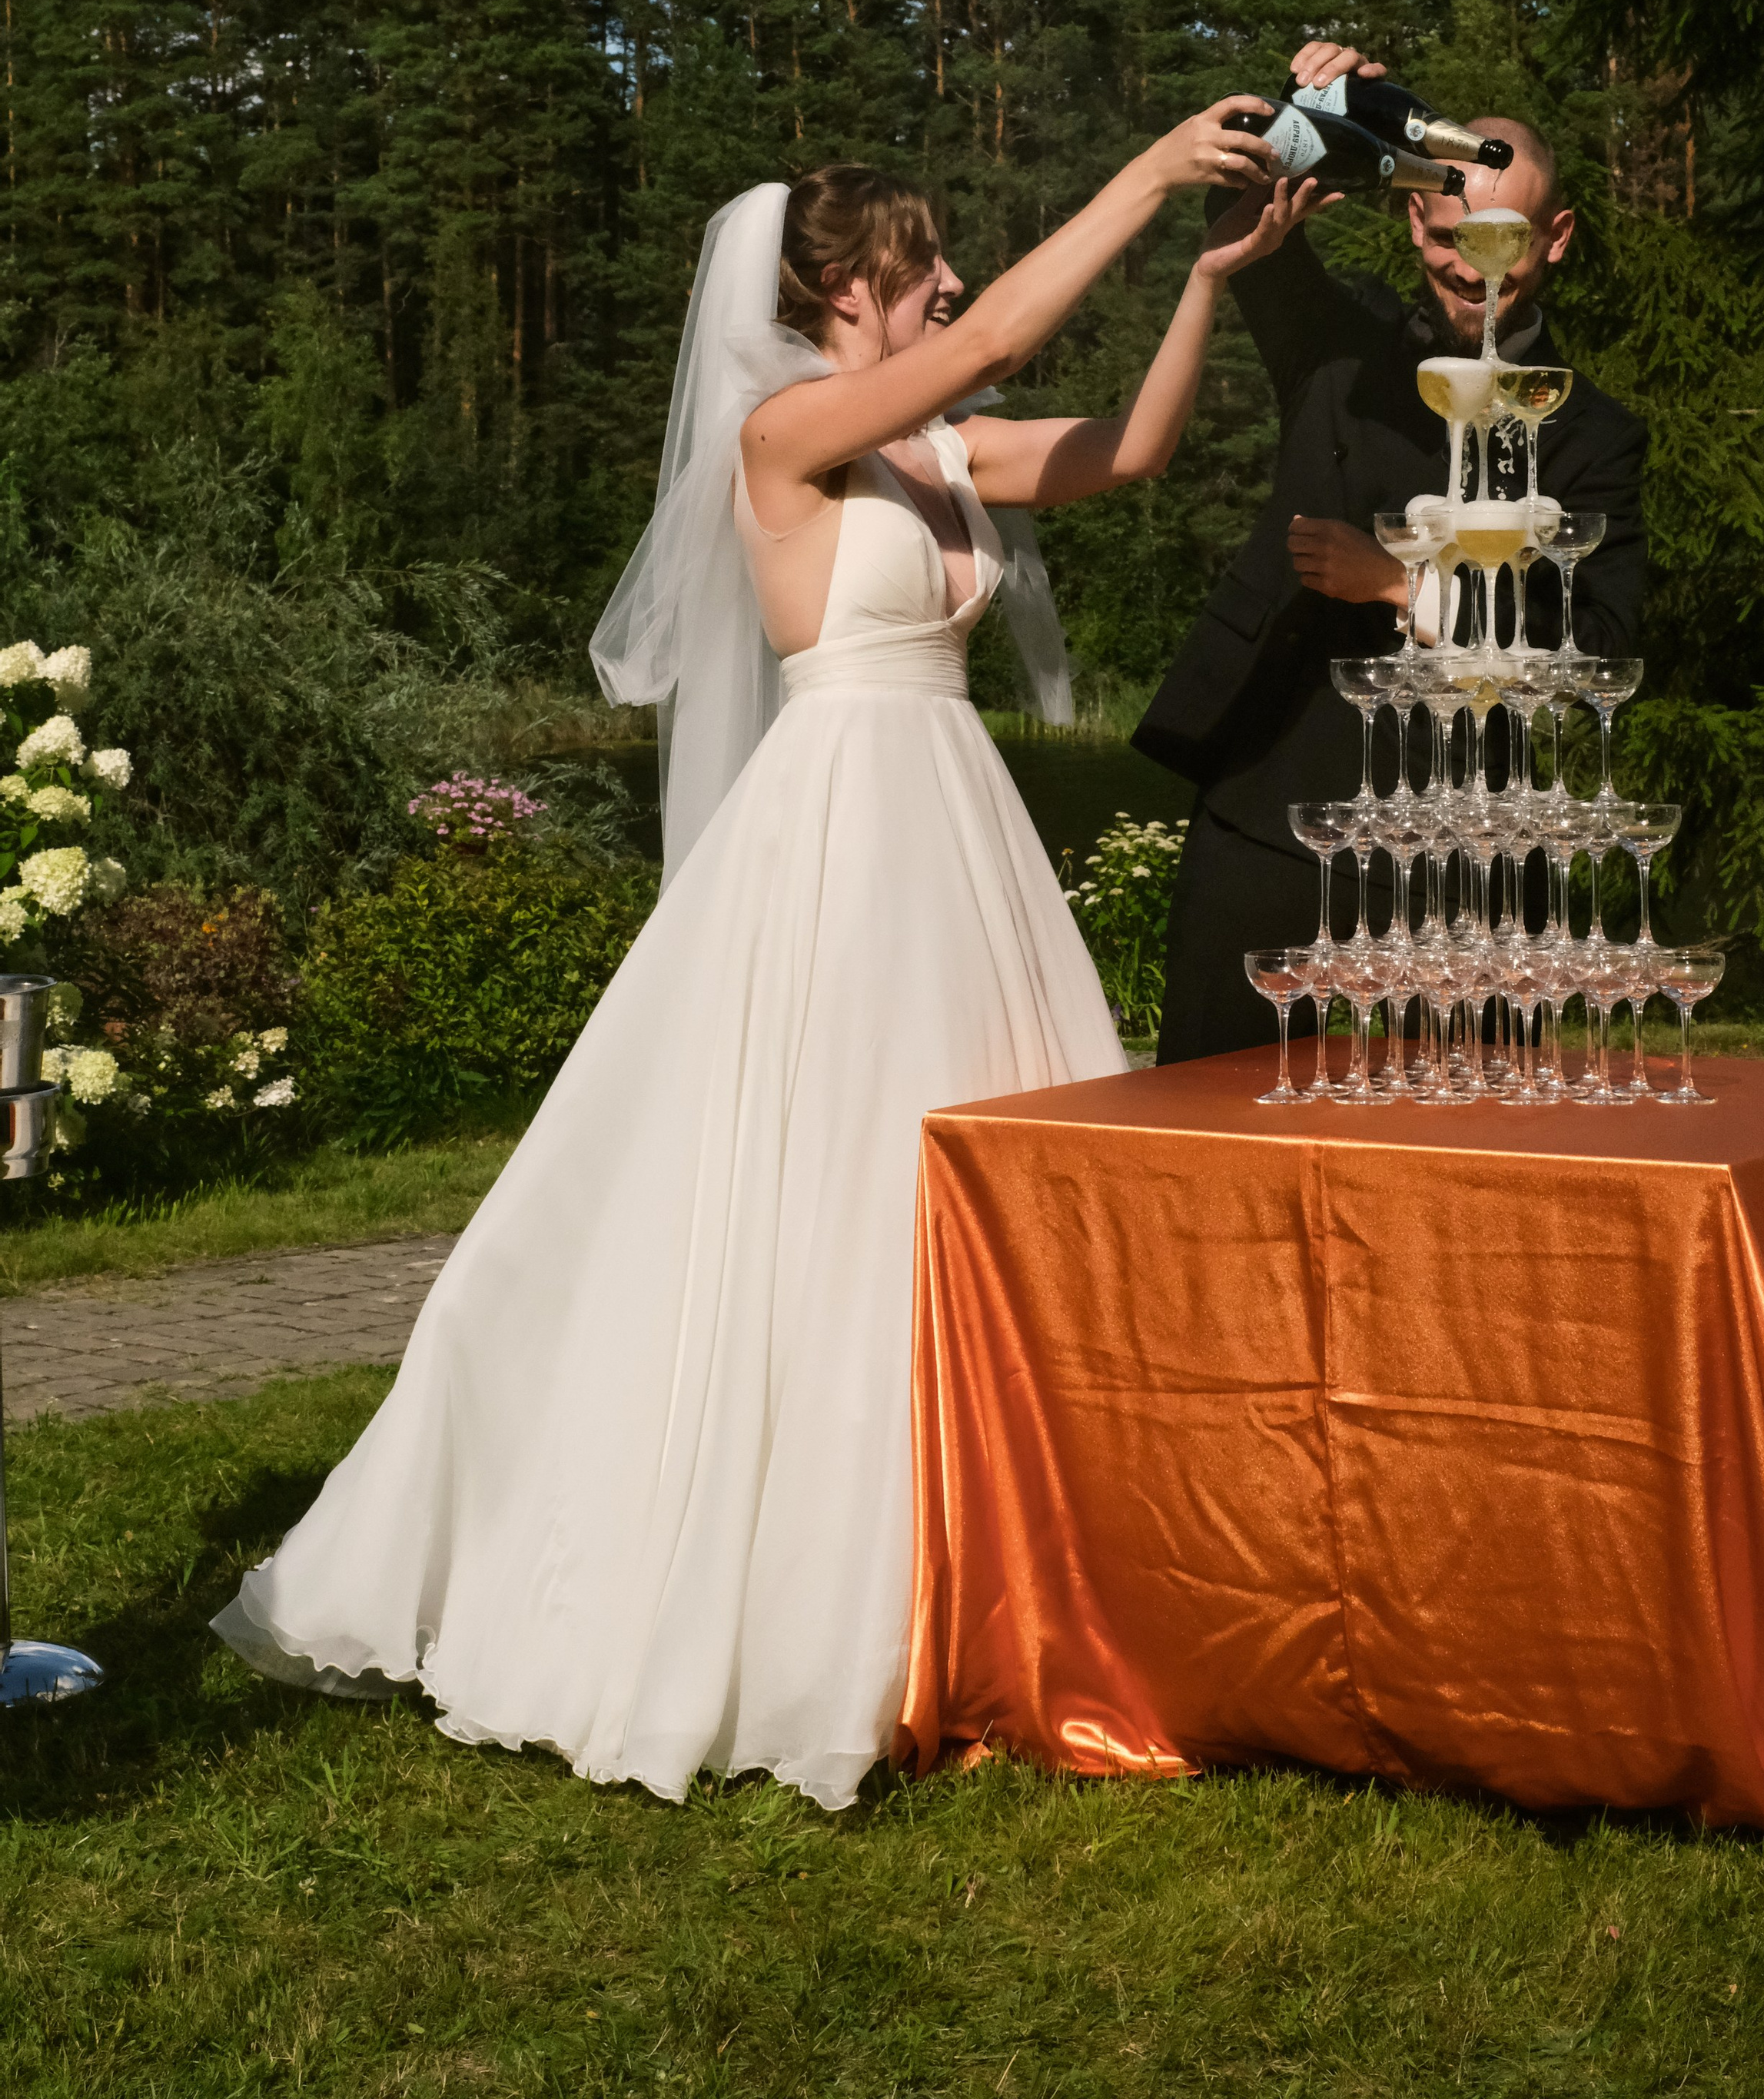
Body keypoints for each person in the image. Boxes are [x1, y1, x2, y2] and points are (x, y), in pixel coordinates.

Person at [212, 107, 1312, 1811]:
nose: (946, 281)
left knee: (992, 1184)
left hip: (956, 829)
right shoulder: (788, 437)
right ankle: (803, 1594)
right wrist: (1151, 170)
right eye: (917, 263)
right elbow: (1015, 325)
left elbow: (1127, 454)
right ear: (838, 292)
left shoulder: (941, 452)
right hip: (836, 837)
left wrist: (1204, 275)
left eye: (945, 262)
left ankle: (997, 1577)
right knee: (823, 1190)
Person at [1137, 39, 1647, 1067]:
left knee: (1482, 1145)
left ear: (1556, 238)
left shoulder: (1593, 434)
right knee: (1207, 1110)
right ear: (1415, 210)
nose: (1471, 264)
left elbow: (1598, 644)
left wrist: (1403, 585)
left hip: (1476, 836)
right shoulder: (1338, 341)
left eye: (1501, 238)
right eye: (1451, 233)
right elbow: (1238, 183)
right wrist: (1343, 105)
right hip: (1274, 795)